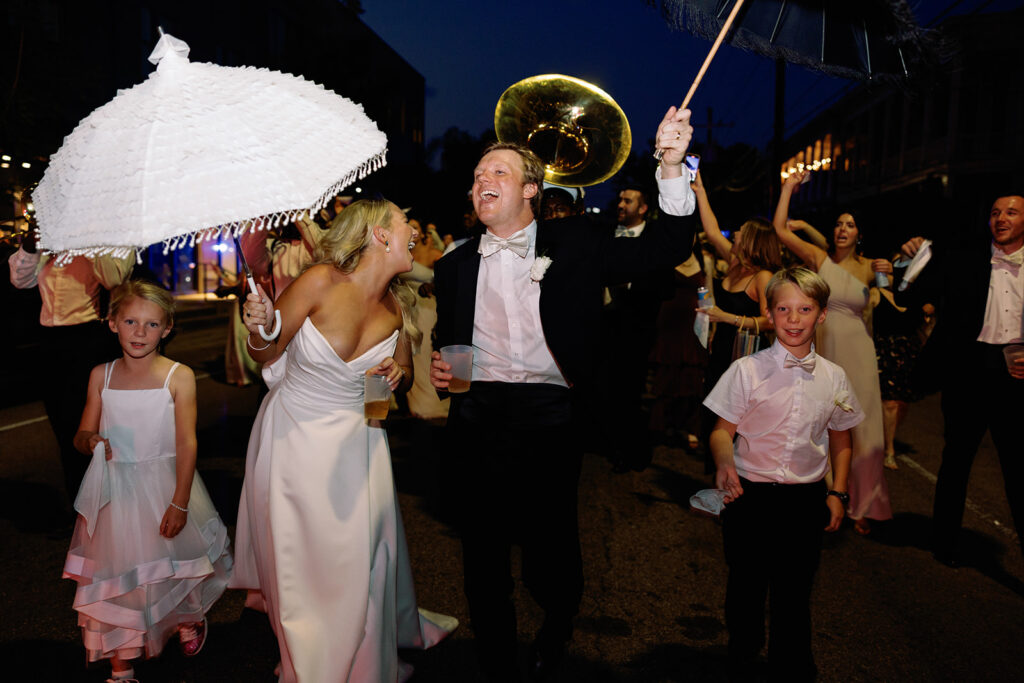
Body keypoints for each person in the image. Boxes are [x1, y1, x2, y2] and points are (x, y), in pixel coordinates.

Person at [429, 106, 697, 682]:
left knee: (549, 550)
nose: (482, 184)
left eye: (496, 173)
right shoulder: (453, 267)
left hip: (551, 415)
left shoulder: (576, 241)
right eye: (477, 177)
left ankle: (558, 621)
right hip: (478, 416)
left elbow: (666, 248)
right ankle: (497, 662)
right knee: (483, 552)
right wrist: (442, 368)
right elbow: (445, 339)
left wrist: (671, 167)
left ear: (531, 188)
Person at [231, 199, 456, 682]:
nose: (412, 230)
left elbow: (392, 384)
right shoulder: (319, 281)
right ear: (379, 235)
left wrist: (396, 372)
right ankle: (310, 655)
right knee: (300, 556)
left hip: (361, 442)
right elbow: (266, 351)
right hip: (293, 435)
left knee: (360, 556)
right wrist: (256, 326)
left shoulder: (397, 307)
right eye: (403, 222)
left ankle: (362, 657)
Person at [62, 280, 231, 682]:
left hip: (164, 485)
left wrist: (180, 501)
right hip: (115, 493)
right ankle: (121, 666)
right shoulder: (100, 376)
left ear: (168, 328)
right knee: (118, 578)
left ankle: (186, 617)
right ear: (112, 323)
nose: (140, 332)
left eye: (152, 324)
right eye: (131, 321)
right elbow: (81, 433)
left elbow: (186, 442)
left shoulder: (179, 375)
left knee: (172, 567)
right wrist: (91, 441)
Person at [705, 267, 862, 682]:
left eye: (805, 309)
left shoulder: (834, 378)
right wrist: (724, 463)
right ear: (769, 315)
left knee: (794, 595)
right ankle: (742, 653)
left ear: (821, 314)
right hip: (749, 496)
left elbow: (842, 440)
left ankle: (790, 668)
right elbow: (723, 432)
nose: (794, 319)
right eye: (784, 309)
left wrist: (838, 493)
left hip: (803, 500)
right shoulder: (746, 371)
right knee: (746, 588)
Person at [902, 193, 1024, 567]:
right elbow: (909, 295)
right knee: (955, 462)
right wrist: (915, 258)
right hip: (969, 371)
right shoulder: (967, 258)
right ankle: (944, 545)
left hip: (1016, 375)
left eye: (1012, 212)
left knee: (1018, 470)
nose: (1001, 218)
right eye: (995, 212)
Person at [773, 169, 893, 535]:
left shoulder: (871, 268)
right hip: (827, 348)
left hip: (859, 347)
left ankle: (865, 503)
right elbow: (780, 229)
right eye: (839, 223)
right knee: (824, 420)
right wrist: (788, 189)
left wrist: (894, 273)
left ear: (859, 233)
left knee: (865, 425)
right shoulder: (818, 259)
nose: (843, 229)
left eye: (851, 224)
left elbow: (892, 304)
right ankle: (827, 491)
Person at [8, 213, 133, 528]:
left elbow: (114, 276)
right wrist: (32, 244)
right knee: (65, 432)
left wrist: (90, 230)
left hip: (90, 340)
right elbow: (20, 279)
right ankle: (82, 516)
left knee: (94, 432)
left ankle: (110, 515)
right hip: (50, 344)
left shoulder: (111, 230)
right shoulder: (51, 238)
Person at [601, 184, 673, 472]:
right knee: (605, 386)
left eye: (627, 200)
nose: (620, 204)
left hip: (636, 328)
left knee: (630, 392)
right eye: (619, 199)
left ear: (642, 208)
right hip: (603, 324)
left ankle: (629, 450)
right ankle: (605, 441)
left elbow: (664, 287)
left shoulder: (654, 241)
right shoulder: (606, 234)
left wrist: (631, 285)